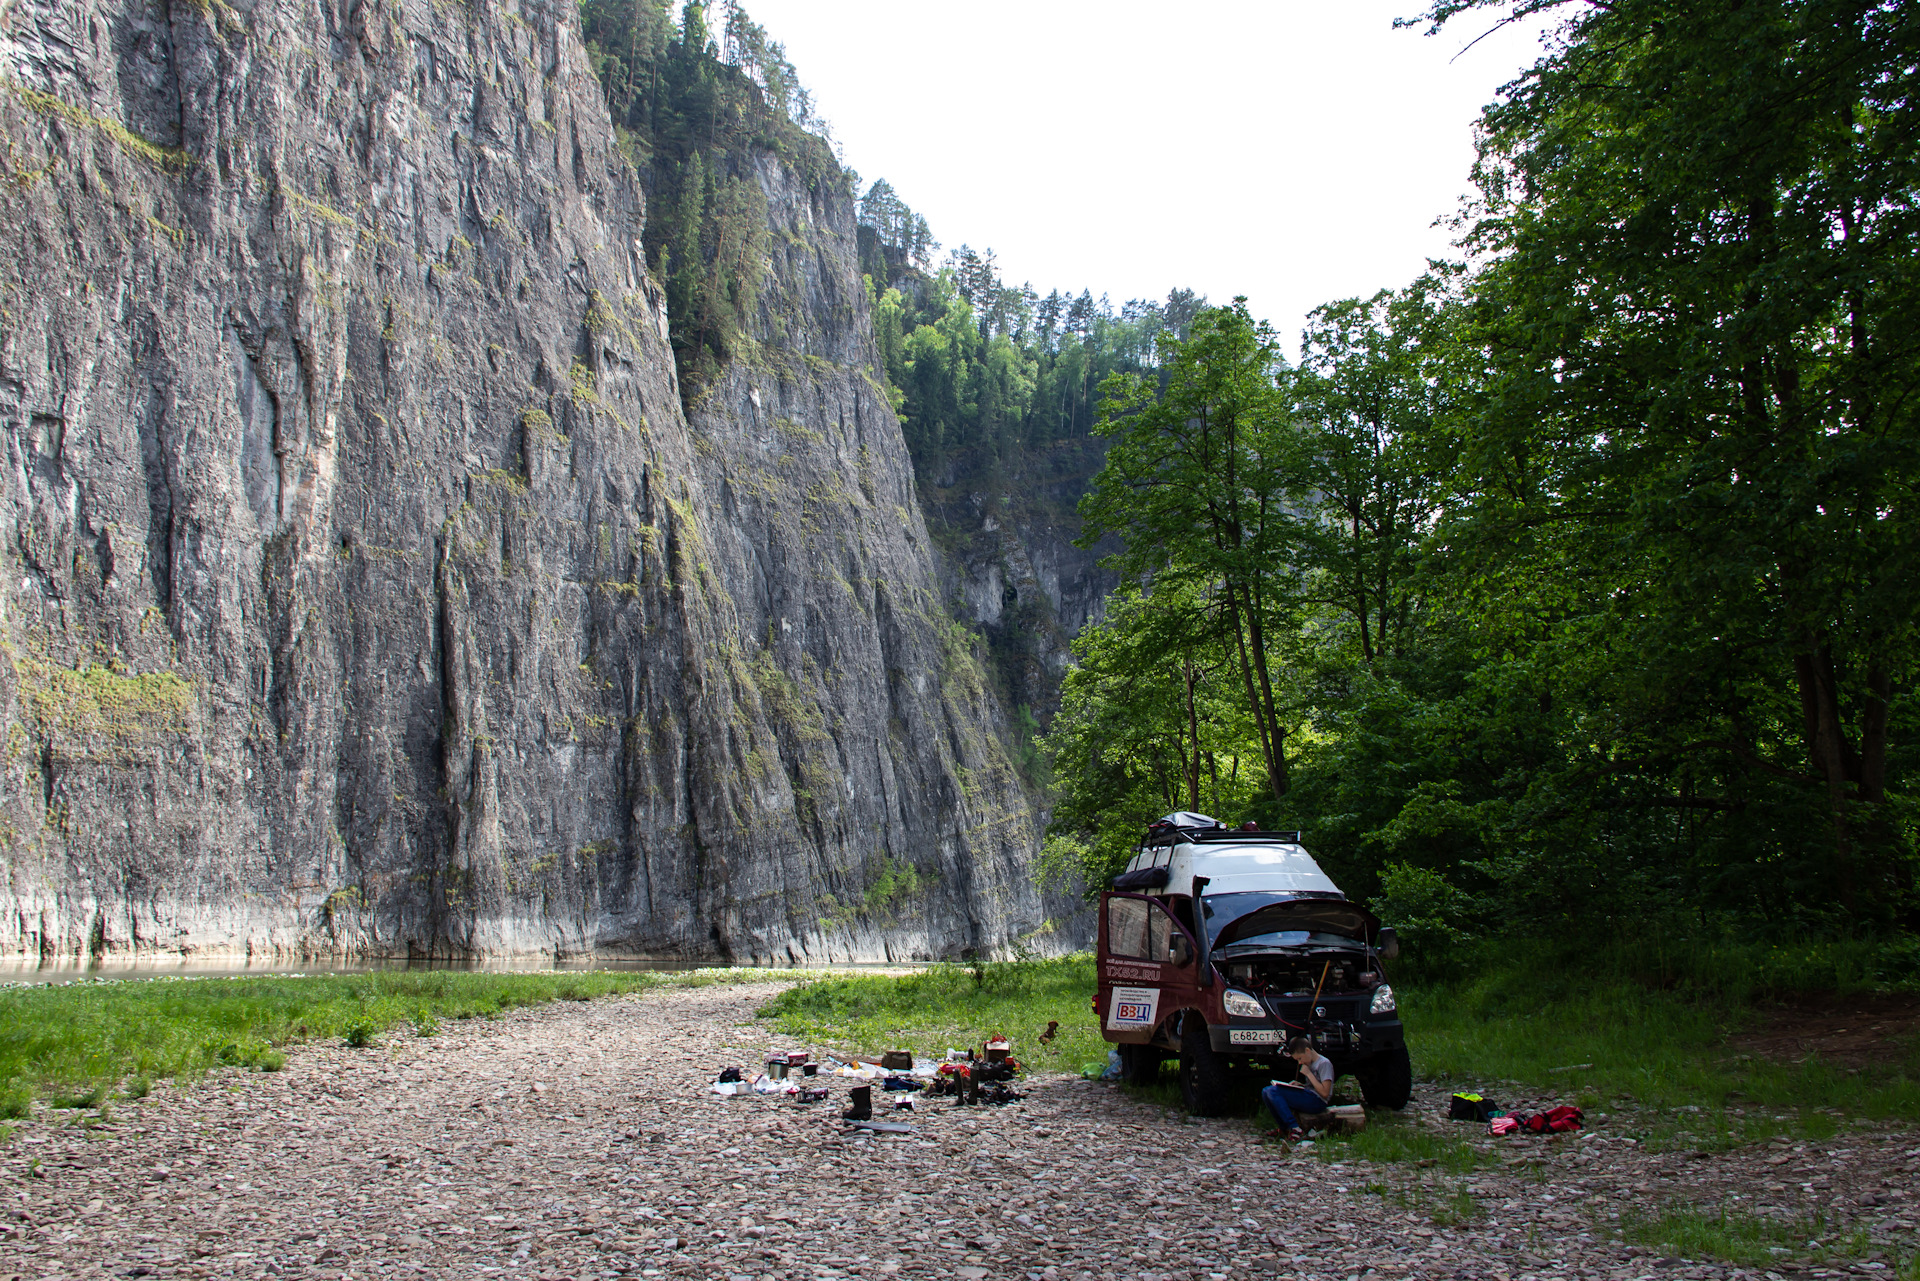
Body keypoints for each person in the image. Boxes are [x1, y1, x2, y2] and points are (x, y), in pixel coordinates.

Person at [1262, 1035, 1333, 1141]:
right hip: (1309, 1094)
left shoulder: (1324, 1064)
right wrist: (1301, 1085)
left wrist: (1309, 1074)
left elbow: (1325, 1093)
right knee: (1266, 1091)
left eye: (1300, 1058)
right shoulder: (1309, 1062)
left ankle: (1295, 1128)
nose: (1300, 1062)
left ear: (1308, 1051)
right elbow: (1313, 1086)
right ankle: (1284, 1128)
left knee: (1274, 1092)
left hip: (1318, 1101)